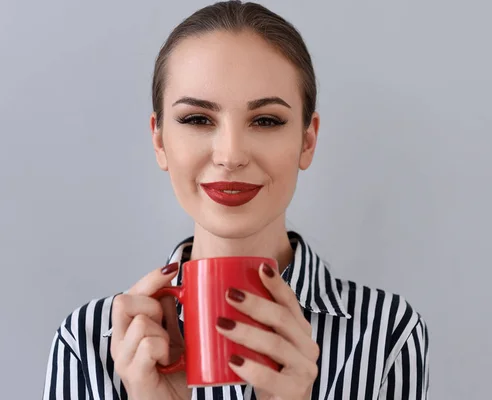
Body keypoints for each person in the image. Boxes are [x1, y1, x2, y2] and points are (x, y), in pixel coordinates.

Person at [42, 1, 430, 399]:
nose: (230, 155)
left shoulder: (387, 334)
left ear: (307, 140)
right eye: (197, 119)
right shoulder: (86, 343)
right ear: (159, 141)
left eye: (266, 121)